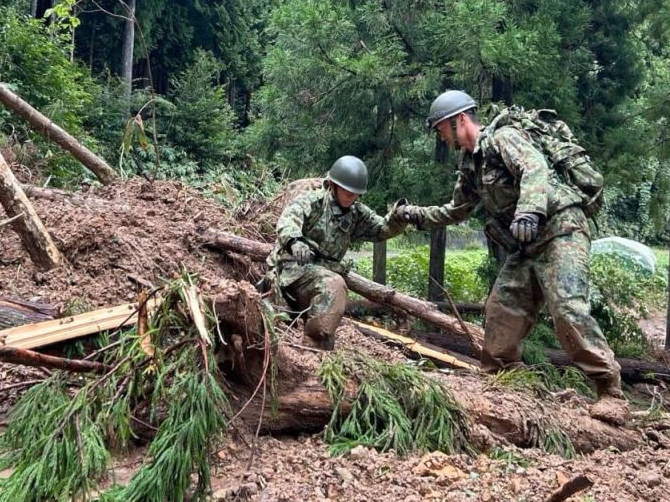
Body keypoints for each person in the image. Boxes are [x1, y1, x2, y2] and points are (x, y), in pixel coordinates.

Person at [394, 90, 628, 424]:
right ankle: (505, 379)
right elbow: (455, 210)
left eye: (442, 129)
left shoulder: (503, 138)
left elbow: (535, 167)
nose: (442, 137)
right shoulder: (471, 165)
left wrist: (529, 211)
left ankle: (610, 392)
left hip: (562, 230)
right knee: (501, 309)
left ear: (460, 120)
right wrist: (413, 215)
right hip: (528, 245)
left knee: (567, 308)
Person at [268, 156, 405, 349]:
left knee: (330, 291)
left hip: (320, 273)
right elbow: (288, 220)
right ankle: (313, 345)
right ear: (333, 185)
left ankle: (320, 347)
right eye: (347, 191)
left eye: (355, 193)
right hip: (294, 270)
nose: (351, 196)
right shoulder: (314, 201)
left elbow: (381, 229)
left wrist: (399, 217)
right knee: (334, 285)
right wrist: (295, 241)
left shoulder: (357, 213)